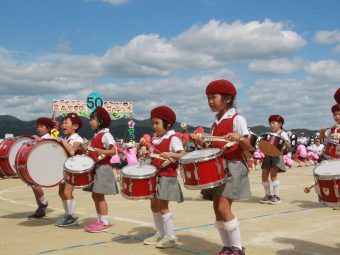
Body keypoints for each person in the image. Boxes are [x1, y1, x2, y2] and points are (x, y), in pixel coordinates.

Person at [190, 80, 252, 255]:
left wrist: (239, 137)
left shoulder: (237, 119)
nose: (210, 101)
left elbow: (248, 146)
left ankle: (238, 248)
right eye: (208, 98)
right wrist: (200, 142)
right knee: (217, 208)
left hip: (233, 166)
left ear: (227, 99)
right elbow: (212, 148)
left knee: (224, 208)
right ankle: (227, 246)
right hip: (216, 168)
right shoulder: (216, 122)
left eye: (213, 97)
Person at [143, 106, 186, 249]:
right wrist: (147, 153)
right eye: (153, 123)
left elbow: (183, 154)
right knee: (154, 205)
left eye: (157, 123)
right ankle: (160, 232)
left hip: (167, 176)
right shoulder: (158, 140)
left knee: (162, 207)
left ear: (167, 124)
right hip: (157, 175)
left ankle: (171, 236)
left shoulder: (173, 138)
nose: (154, 126)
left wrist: (171, 154)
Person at [81, 107, 118, 233]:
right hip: (96, 168)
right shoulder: (97, 135)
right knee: (95, 194)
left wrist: (103, 151)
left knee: (100, 195)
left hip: (103, 168)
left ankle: (104, 221)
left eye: (92, 119)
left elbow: (114, 151)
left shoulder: (106, 135)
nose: (90, 121)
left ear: (101, 121)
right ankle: (100, 219)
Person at [55, 113, 83, 227]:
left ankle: (72, 216)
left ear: (75, 126)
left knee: (67, 192)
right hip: (66, 169)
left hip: (73, 169)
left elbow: (72, 151)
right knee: (61, 192)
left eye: (66, 123)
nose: (63, 125)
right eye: (63, 123)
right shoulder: (68, 138)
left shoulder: (77, 138)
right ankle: (68, 214)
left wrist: (62, 142)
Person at [28, 117, 55, 219]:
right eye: (37, 126)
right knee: (33, 185)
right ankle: (40, 208)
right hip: (39, 165)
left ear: (48, 128)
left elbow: (49, 147)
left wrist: (39, 140)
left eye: (41, 126)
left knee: (35, 184)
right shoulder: (40, 138)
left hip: (47, 166)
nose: (38, 128)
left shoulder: (50, 138)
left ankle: (43, 203)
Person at [260, 115, 291, 205]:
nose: (271, 125)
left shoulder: (283, 133)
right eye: (270, 123)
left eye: (273, 123)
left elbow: (289, 146)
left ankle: (276, 196)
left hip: (276, 156)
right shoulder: (271, 135)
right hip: (268, 155)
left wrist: (285, 141)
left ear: (280, 124)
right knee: (264, 176)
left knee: (273, 176)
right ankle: (268, 195)